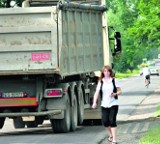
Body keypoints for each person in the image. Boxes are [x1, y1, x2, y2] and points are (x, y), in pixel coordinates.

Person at [92, 65, 122, 144]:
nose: (107, 73)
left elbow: (120, 91)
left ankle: (114, 140)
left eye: (108, 71)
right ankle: (111, 135)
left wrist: (115, 94)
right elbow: (96, 93)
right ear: (103, 72)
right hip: (104, 104)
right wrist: (94, 102)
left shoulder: (114, 80)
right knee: (105, 122)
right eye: (105, 71)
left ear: (110, 72)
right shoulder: (101, 82)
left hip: (113, 104)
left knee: (112, 121)